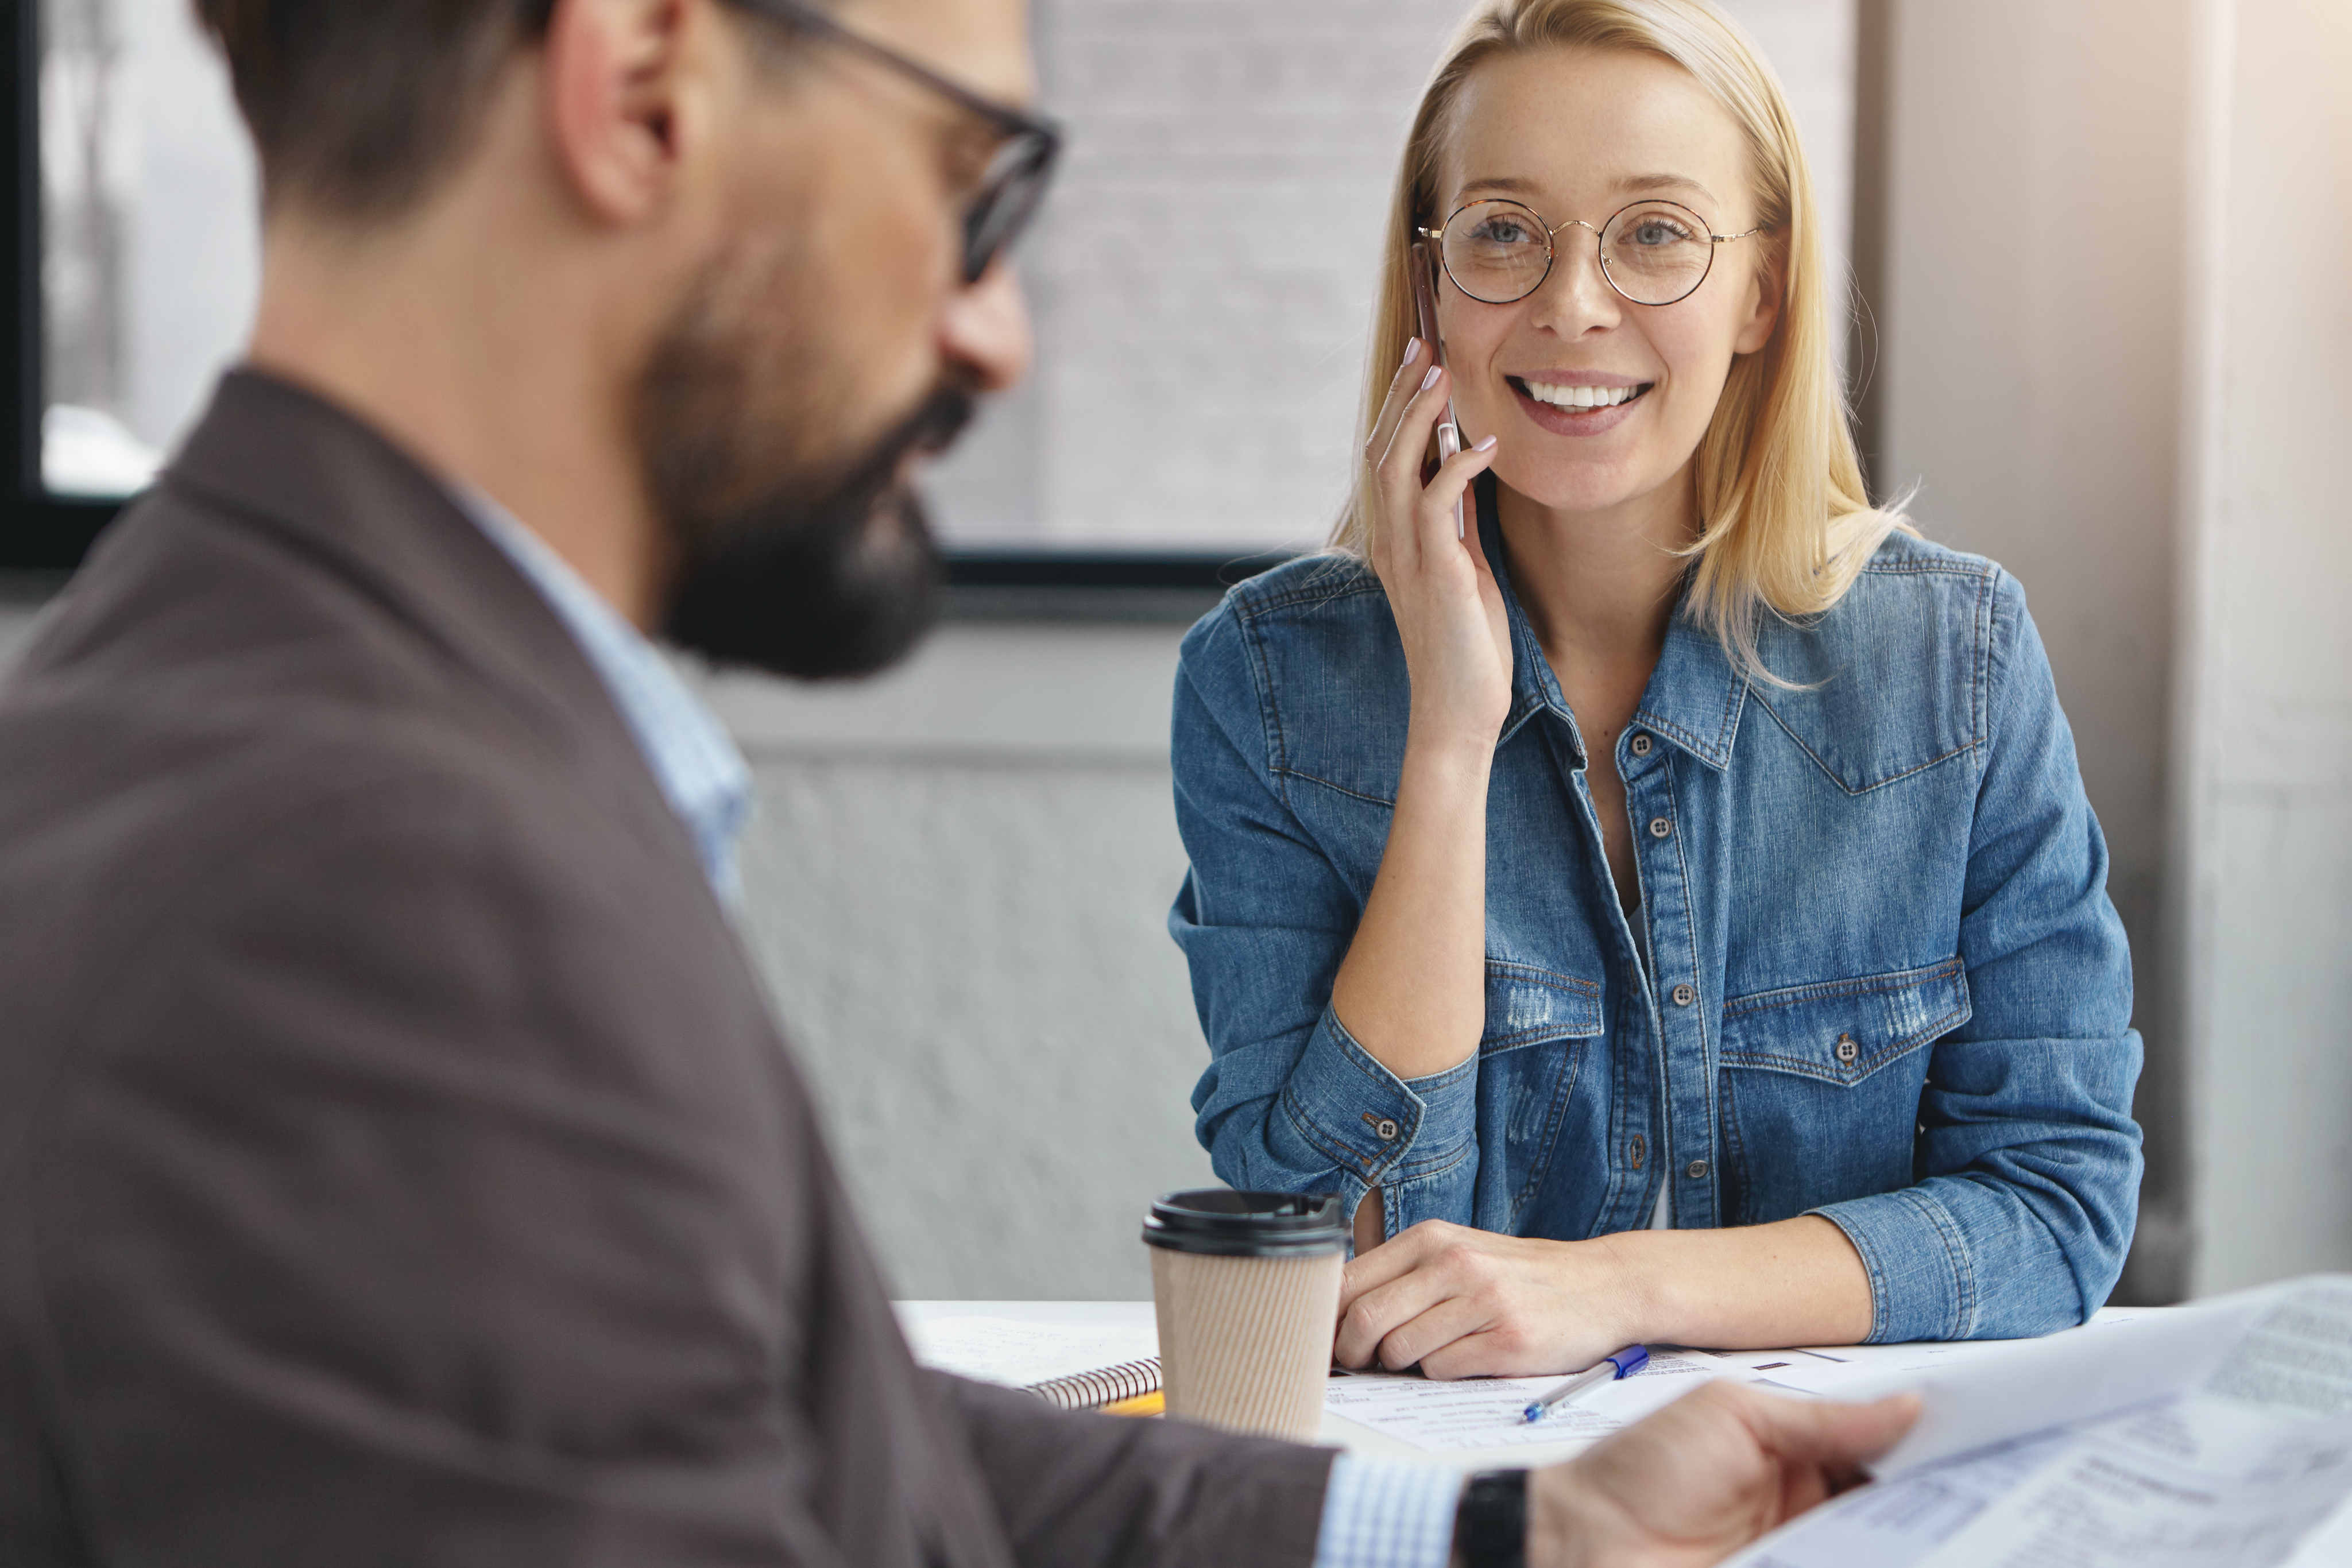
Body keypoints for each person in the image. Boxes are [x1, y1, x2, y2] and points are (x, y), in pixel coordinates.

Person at [0, 0, 1918, 1563]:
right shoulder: (378, 881)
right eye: (973, 187)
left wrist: (1509, 1533)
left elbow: (806, 1422)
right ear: (644, 93)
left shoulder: (297, 726)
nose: (995, 336)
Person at [1169, 0, 2144, 1383]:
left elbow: (2055, 1207)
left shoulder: (1953, 660)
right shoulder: (1266, 685)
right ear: (1431, 283)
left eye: (1652, 234)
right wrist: (1449, 736)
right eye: (1503, 229)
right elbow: (1326, 1251)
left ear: (1760, 293)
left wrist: (1617, 1287)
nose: (1572, 302)